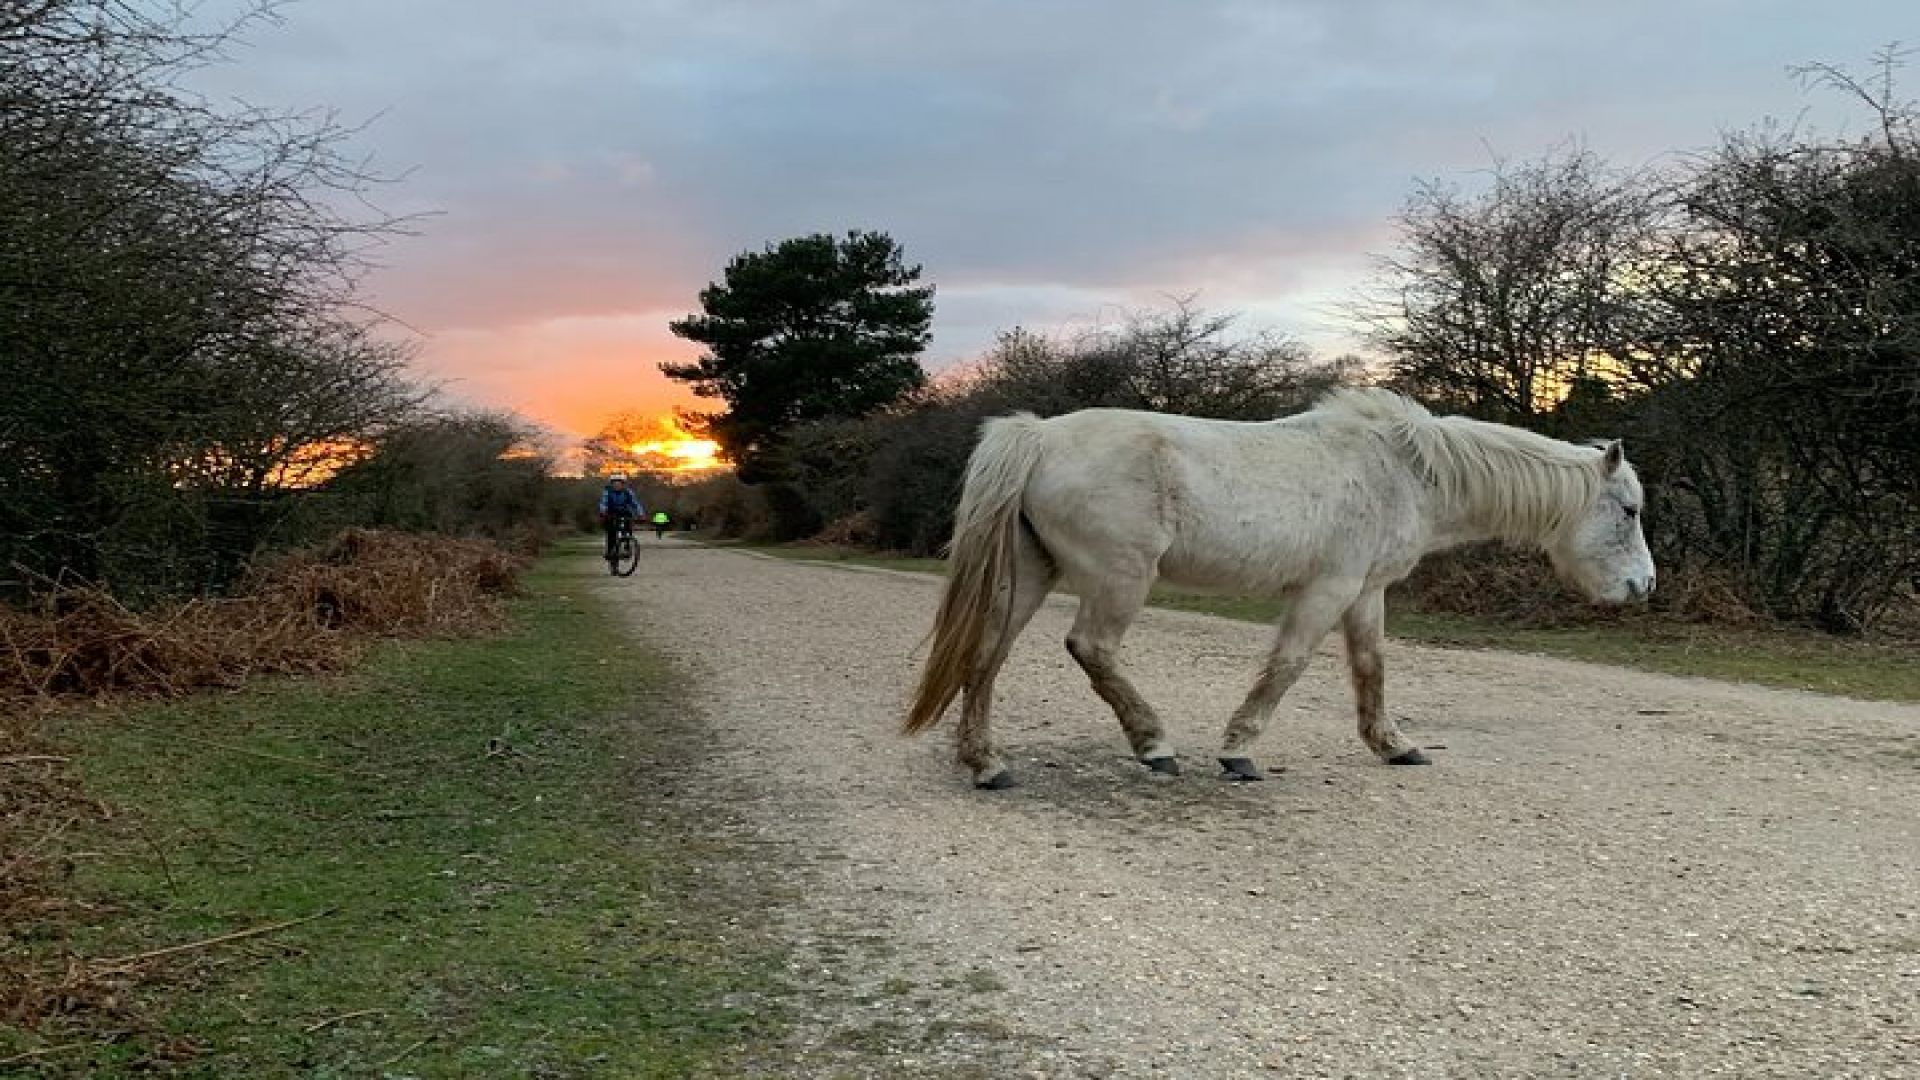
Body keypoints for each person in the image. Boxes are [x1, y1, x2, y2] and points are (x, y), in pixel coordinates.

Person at [598, 474, 645, 560]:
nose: (617, 485)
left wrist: (641, 514)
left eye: (619, 483)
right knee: (611, 532)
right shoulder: (607, 492)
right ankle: (610, 551)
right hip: (611, 513)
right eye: (615, 483)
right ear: (611, 484)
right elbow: (603, 502)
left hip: (624, 512)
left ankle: (627, 546)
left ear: (623, 484)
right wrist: (603, 511)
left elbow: (635, 503)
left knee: (628, 527)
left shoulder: (627, 492)